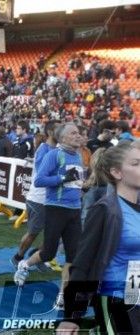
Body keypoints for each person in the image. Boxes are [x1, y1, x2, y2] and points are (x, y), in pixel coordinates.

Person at [57, 140, 140, 335]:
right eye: (136, 164)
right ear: (117, 173)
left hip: (134, 290)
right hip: (113, 295)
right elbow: (83, 262)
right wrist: (72, 317)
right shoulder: (105, 209)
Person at [14, 123, 84, 311]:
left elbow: (76, 182)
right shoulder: (54, 155)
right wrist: (62, 178)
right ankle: (24, 264)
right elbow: (39, 180)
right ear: (62, 138)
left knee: (73, 256)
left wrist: (82, 186)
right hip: (56, 208)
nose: (78, 136)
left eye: (79, 133)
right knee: (49, 253)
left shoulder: (78, 156)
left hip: (75, 209)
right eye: (74, 133)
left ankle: (63, 295)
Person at [10, 120, 59, 270]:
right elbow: (42, 175)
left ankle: (38, 256)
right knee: (33, 233)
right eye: (60, 130)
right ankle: (18, 257)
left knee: (55, 234)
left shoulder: (56, 149)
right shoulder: (44, 149)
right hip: (39, 199)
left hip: (53, 199)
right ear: (51, 132)